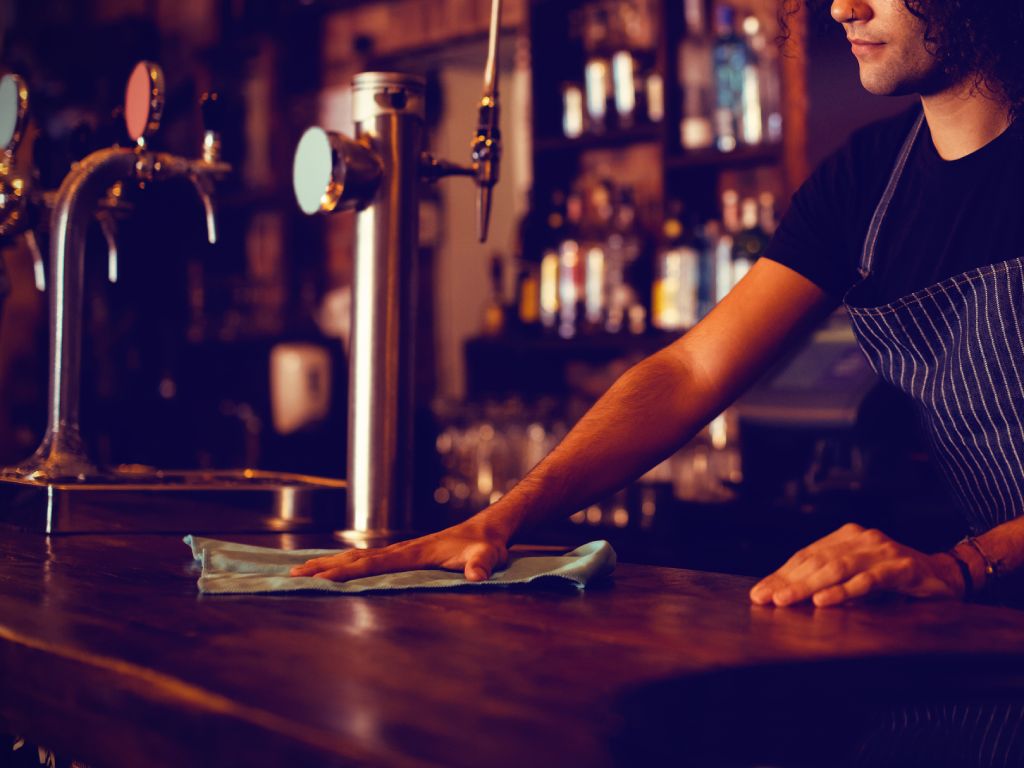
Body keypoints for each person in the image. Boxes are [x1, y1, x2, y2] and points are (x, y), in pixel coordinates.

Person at [292, 0, 1024, 608]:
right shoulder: (870, 179)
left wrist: (966, 563)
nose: (843, 8)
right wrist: (502, 519)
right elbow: (691, 371)